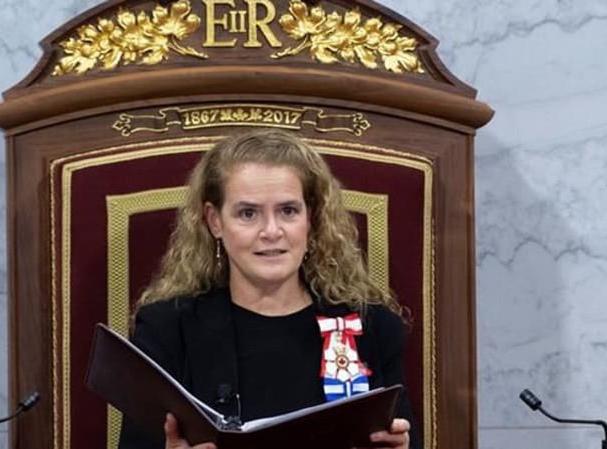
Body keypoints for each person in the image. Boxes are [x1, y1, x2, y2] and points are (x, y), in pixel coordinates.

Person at [118, 130, 420, 449]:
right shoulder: (166, 332)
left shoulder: (372, 328)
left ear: (310, 218)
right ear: (215, 221)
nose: (271, 231)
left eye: (288, 211)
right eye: (248, 213)